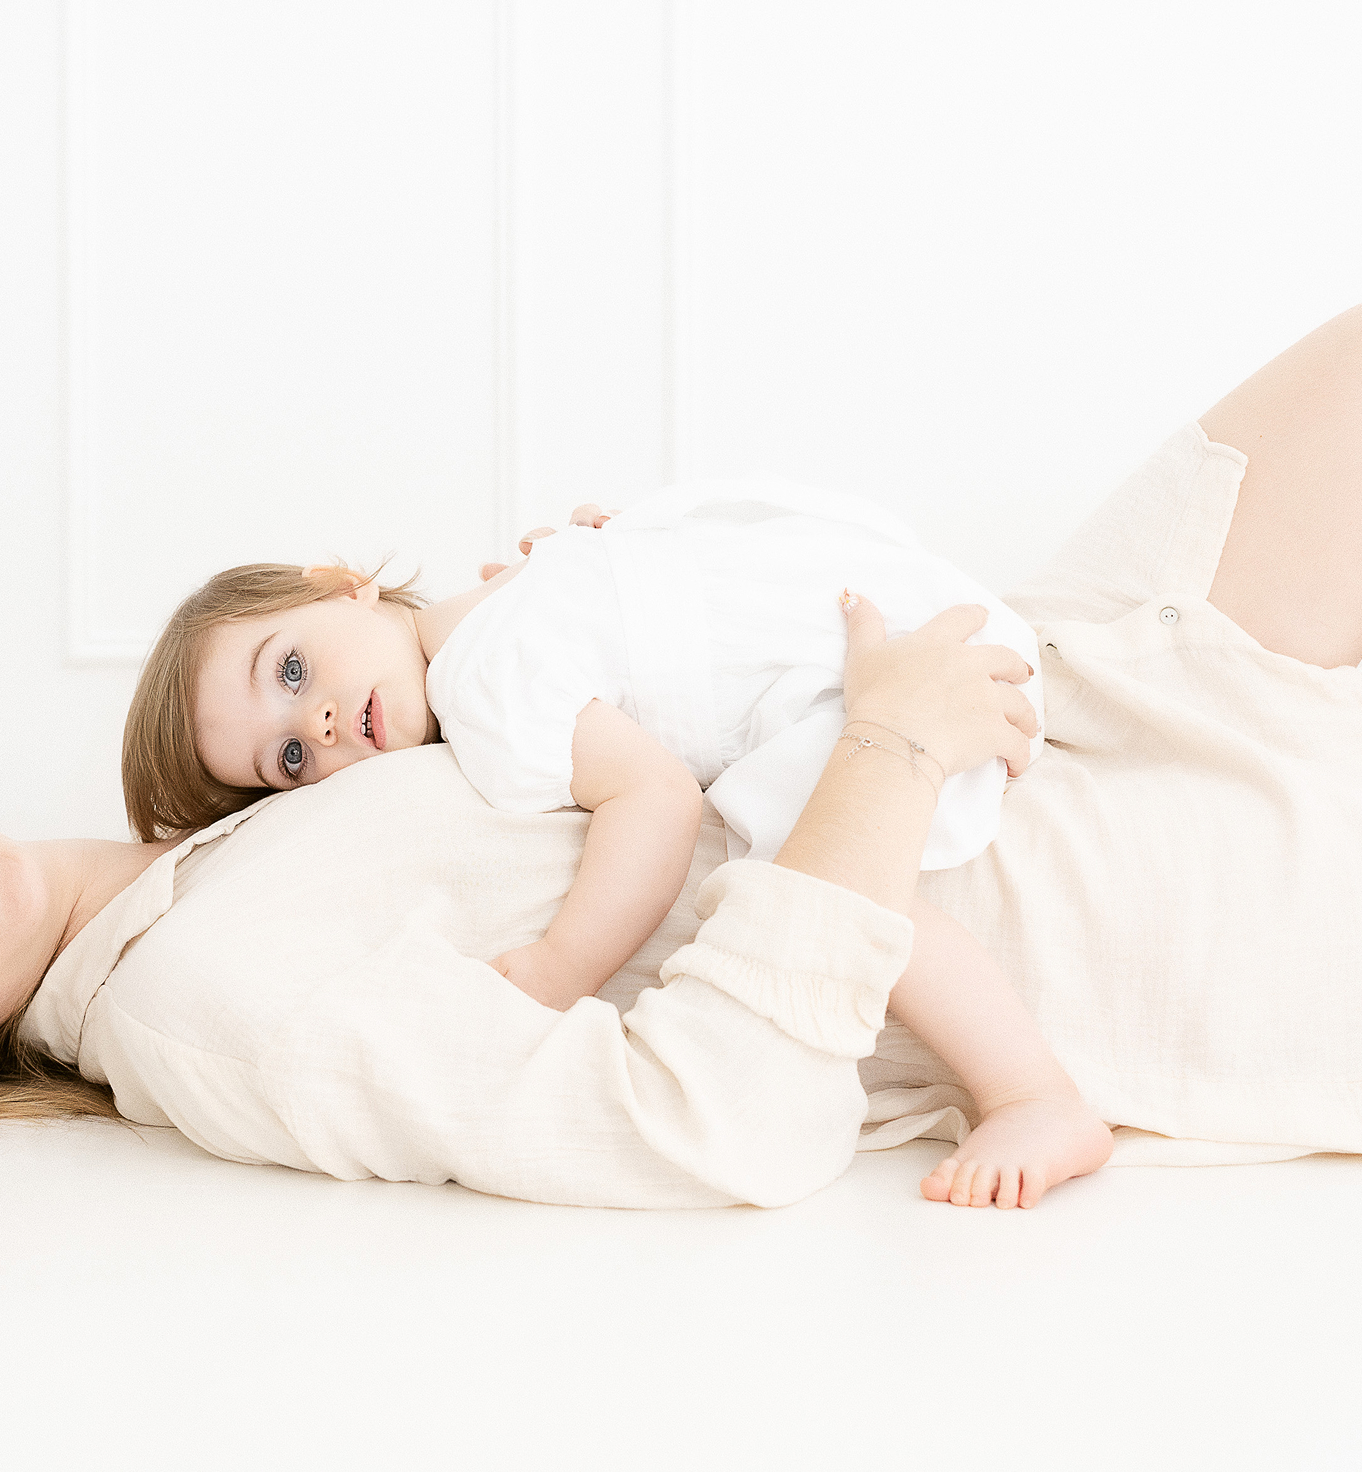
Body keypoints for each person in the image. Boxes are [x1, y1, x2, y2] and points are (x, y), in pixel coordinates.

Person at [0, 296, 1362, 1210]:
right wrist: (876, 768)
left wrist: (580, 611)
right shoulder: (207, 1011)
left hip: (982, 684)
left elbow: (527, 698)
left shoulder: (218, 797)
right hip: (1004, 907)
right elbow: (682, 1122)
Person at [119, 479, 1106, 1201]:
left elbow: (659, 800)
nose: (321, 725)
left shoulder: (483, 686)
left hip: (881, 670)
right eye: (288, 758)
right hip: (900, 593)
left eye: (290, 669)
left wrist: (557, 966)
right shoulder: (525, 582)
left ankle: (1031, 1091)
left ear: (342, 584)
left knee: (821, 887)